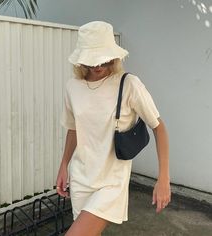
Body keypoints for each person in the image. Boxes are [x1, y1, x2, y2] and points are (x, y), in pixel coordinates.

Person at [56, 21, 171, 236]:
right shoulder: (73, 87)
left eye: (103, 59)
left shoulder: (128, 84)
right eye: (91, 61)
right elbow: (73, 129)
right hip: (81, 177)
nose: (97, 66)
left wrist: (163, 178)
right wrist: (64, 164)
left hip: (111, 181)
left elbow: (159, 127)